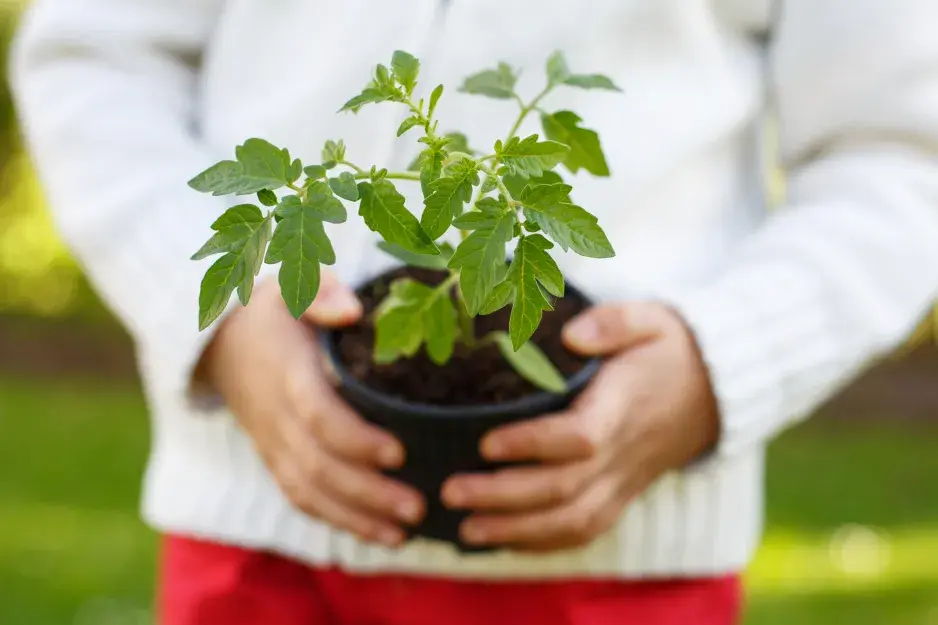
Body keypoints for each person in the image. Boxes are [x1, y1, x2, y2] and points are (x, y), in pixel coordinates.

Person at [11, 1, 938, 623]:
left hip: (625, 563)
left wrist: (719, 363)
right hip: (259, 545)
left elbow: (905, 156)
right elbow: (95, 59)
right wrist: (220, 317)